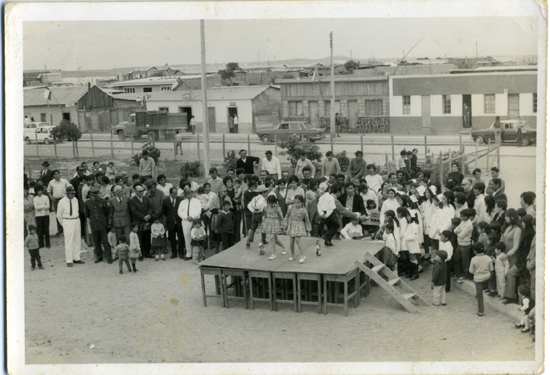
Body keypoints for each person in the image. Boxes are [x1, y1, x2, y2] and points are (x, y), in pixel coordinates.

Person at [56, 186, 84, 267]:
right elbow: (58, 215)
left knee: (77, 240)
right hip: (67, 221)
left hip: (76, 220)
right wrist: (64, 224)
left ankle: (77, 258)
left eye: (73, 193)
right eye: (71, 194)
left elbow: (77, 210)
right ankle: (69, 260)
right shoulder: (61, 202)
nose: (72, 195)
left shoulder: (75, 200)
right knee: (69, 241)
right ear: (67, 194)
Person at [500, 209, 524, 304]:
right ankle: (505, 294)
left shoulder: (517, 229)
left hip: (512, 255)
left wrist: (507, 254)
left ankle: (511, 296)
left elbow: (516, 246)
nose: (505, 218)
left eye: (507, 216)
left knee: (510, 274)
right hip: (506, 254)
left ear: (512, 217)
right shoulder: (509, 227)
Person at [85, 187, 113, 264]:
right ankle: (99, 256)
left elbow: (107, 212)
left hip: (102, 224)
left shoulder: (102, 201)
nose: (97, 196)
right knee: (96, 241)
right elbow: (87, 214)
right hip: (94, 224)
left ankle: (108, 257)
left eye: (98, 194)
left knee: (105, 241)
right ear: (91, 195)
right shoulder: (87, 203)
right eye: (95, 195)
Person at [128, 184, 153, 260]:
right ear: (135, 191)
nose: (141, 193)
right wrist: (143, 217)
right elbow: (133, 211)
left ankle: (147, 252)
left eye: (142, 191)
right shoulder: (132, 200)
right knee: (139, 238)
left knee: (147, 237)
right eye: (139, 191)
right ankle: (140, 254)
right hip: (138, 222)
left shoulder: (146, 198)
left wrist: (148, 215)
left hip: (147, 221)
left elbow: (150, 207)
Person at [284, 195, 311, 263]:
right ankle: (292, 255)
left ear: (302, 202)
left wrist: (308, 229)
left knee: (298, 240)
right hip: (292, 225)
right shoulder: (291, 208)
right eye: (295, 202)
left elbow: (307, 220)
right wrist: (285, 224)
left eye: (298, 202)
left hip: (299, 225)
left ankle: (302, 255)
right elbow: (286, 216)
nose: (296, 204)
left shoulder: (304, 210)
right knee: (291, 242)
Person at [469, 242, 494, 316]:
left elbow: (471, 271)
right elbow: (492, 269)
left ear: (475, 251)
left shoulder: (473, 259)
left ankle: (481, 311)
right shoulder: (488, 258)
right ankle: (491, 288)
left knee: (479, 295)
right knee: (491, 275)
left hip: (478, 279)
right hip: (487, 277)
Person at [178, 189, 202, 261]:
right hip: (186, 221)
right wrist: (186, 217)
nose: (189, 195)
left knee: (196, 236)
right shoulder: (182, 202)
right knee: (187, 237)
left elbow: (199, 210)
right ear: (185, 195)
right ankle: (189, 254)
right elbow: (179, 212)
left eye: (190, 193)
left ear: (192, 193)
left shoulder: (197, 201)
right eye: (187, 194)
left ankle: (197, 254)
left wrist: (192, 217)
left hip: (195, 221)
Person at [162, 187, 185, 259]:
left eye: (176, 193)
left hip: (179, 221)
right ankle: (174, 253)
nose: (175, 195)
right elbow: (164, 211)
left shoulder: (180, 200)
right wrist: (170, 217)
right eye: (174, 194)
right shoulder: (166, 201)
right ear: (170, 193)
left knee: (181, 237)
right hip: (171, 222)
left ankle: (181, 252)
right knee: (172, 238)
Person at [262, 195, 287, 260]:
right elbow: (265, 215)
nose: (271, 204)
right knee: (274, 239)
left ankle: (273, 254)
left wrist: (284, 225)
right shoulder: (266, 207)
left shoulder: (277, 208)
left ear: (275, 202)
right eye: (270, 203)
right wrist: (264, 222)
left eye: (272, 203)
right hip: (269, 222)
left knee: (272, 237)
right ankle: (284, 247)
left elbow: (281, 217)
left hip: (275, 223)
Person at [47, 170, 72, 236]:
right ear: (53, 176)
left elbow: (70, 187)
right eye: (55, 174)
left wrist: (68, 196)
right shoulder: (51, 182)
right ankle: (60, 229)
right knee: (58, 215)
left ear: (60, 175)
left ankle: (67, 228)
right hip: (56, 200)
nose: (57, 175)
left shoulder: (65, 181)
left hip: (64, 199)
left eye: (58, 174)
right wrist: (51, 197)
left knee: (66, 213)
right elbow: (48, 190)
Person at [246, 185, 269, 252]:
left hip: (254, 214)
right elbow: (262, 206)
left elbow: (248, 205)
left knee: (253, 227)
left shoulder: (255, 198)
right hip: (260, 214)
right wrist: (260, 209)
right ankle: (263, 240)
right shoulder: (262, 199)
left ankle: (249, 240)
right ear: (263, 193)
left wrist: (253, 210)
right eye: (266, 192)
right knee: (263, 227)